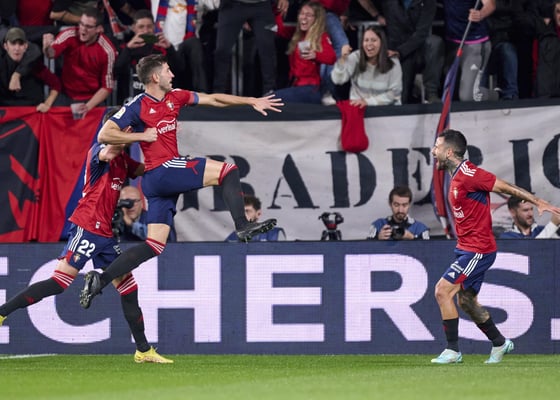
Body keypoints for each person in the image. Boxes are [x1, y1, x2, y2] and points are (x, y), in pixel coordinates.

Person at [79, 54, 283, 308]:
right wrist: (142, 136)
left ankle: (100, 280)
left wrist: (250, 100)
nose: (172, 74)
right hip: (164, 170)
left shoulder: (175, 96)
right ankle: (242, 225)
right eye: (168, 70)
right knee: (228, 170)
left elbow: (213, 99)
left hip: (155, 182)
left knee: (154, 245)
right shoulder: (137, 105)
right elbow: (104, 134)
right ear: (155, 77)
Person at [0, 114, 172, 363]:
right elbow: (110, 150)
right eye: (126, 128)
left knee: (129, 289)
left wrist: (171, 161)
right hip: (87, 225)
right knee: (59, 282)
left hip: (105, 235)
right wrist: (140, 135)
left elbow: (146, 170)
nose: (130, 131)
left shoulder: (123, 159)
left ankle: (143, 351)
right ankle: (2, 312)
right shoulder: (99, 151)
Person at [430, 129, 560, 364]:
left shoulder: (469, 174)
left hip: (478, 250)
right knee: (467, 301)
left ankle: (452, 351)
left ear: (448, 152)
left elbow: (505, 186)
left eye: (437, 147)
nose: (433, 151)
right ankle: (500, 343)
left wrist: (538, 201)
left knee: (442, 290)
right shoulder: (456, 176)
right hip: (466, 248)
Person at [42, 7, 117, 114]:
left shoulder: (108, 51)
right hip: (65, 94)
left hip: (91, 98)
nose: (83, 29)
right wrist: (47, 48)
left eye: (88, 26)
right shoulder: (69, 35)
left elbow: (107, 87)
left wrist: (87, 107)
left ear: (99, 29)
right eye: (81, 24)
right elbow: (51, 54)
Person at [213, 0, 284, 95]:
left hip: (261, 5)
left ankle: (270, 92)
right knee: (222, 50)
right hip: (231, 5)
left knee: (267, 49)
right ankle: (218, 93)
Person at [381, 0, 445, 104]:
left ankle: (431, 92)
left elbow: (422, 33)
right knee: (402, 98)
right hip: (399, 48)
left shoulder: (429, 2)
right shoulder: (390, 3)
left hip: (417, 48)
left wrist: (401, 52)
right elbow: (393, 32)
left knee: (435, 42)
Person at [274, 1, 337, 104]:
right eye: (302, 14)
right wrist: (279, 12)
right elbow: (280, 29)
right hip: (296, 86)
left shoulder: (321, 37)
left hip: (310, 88)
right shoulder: (298, 35)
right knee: (269, 99)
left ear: (316, 19)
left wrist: (316, 55)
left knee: (270, 99)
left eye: (308, 15)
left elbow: (332, 58)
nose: (304, 17)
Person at [114, 9, 181, 103]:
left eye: (149, 26)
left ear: (154, 27)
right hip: (131, 101)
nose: (145, 30)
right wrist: (128, 49)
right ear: (134, 28)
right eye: (141, 27)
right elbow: (115, 71)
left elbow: (179, 71)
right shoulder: (125, 48)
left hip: (160, 101)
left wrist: (170, 49)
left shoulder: (162, 48)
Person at [331, 25, 402, 106]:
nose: (369, 44)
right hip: (359, 108)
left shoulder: (393, 61)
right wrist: (342, 60)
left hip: (385, 110)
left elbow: (395, 93)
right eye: (366, 40)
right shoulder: (356, 57)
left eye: (373, 40)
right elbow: (338, 80)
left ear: (382, 43)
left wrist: (368, 102)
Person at [442, 0, 496, 102]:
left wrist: (480, 14)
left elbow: (490, 4)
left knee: (467, 96)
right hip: (452, 44)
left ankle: (497, 96)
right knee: (450, 94)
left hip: (475, 44)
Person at [151, 0, 208, 92]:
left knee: (194, 43)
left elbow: (215, 4)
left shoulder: (196, 2)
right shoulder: (156, 1)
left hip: (184, 52)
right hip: (162, 49)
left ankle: (201, 92)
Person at [0, 27, 61, 111]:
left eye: (20, 44)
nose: (17, 48)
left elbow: (56, 84)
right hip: (7, 111)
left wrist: (47, 104)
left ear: (26, 46)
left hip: (32, 110)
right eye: (13, 44)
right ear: (6, 46)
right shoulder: (2, 64)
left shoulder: (34, 64)